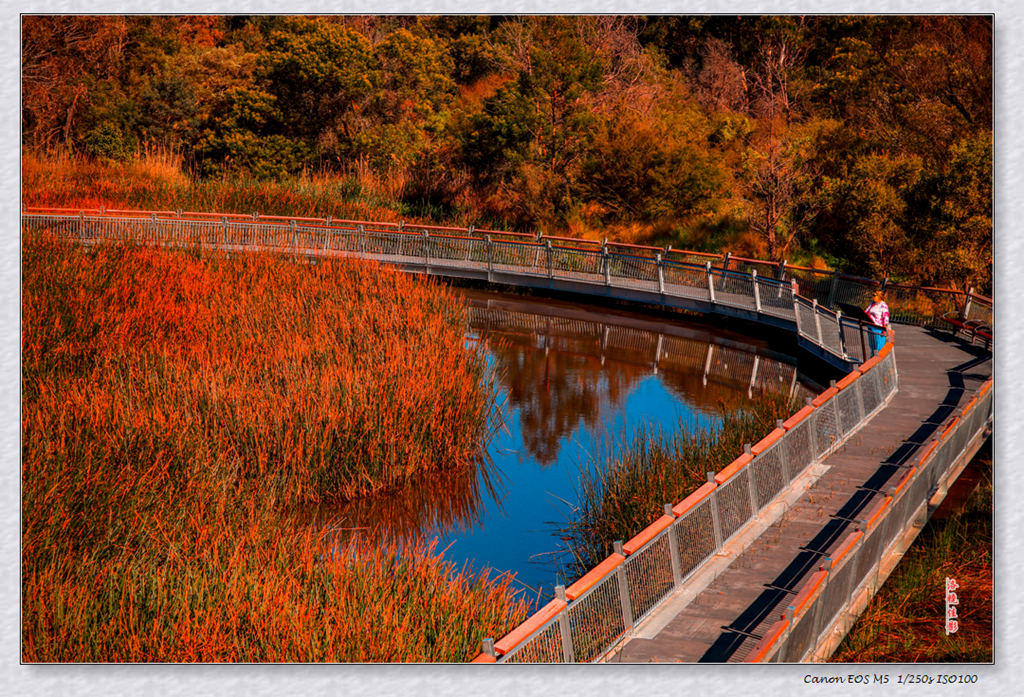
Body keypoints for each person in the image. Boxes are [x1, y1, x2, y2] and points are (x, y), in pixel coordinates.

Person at [865, 290, 890, 355]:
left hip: (878, 327)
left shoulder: (883, 305)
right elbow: (866, 311)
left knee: (879, 346)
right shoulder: (872, 303)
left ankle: (878, 360)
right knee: (872, 345)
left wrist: (884, 329)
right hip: (870, 326)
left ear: (879, 296)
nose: (873, 297)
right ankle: (872, 358)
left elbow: (886, 317)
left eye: (874, 295)